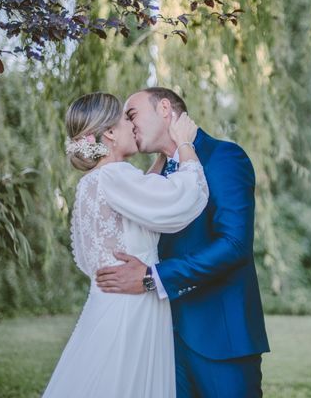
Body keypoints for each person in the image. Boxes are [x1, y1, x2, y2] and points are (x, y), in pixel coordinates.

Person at [96, 87, 270, 398]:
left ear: (164, 108)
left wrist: (153, 277)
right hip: (161, 338)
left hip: (219, 338)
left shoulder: (224, 157)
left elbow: (233, 244)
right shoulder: (152, 177)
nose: (128, 124)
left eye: (132, 114)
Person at [42, 92, 209, 398]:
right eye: (126, 118)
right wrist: (183, 143)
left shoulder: (93, 182)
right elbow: (184, 198)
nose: (133, 126)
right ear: (108, 133)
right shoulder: (115, 177)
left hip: (108, 305)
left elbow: (139, 203)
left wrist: (161, 156)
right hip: (131, 312)